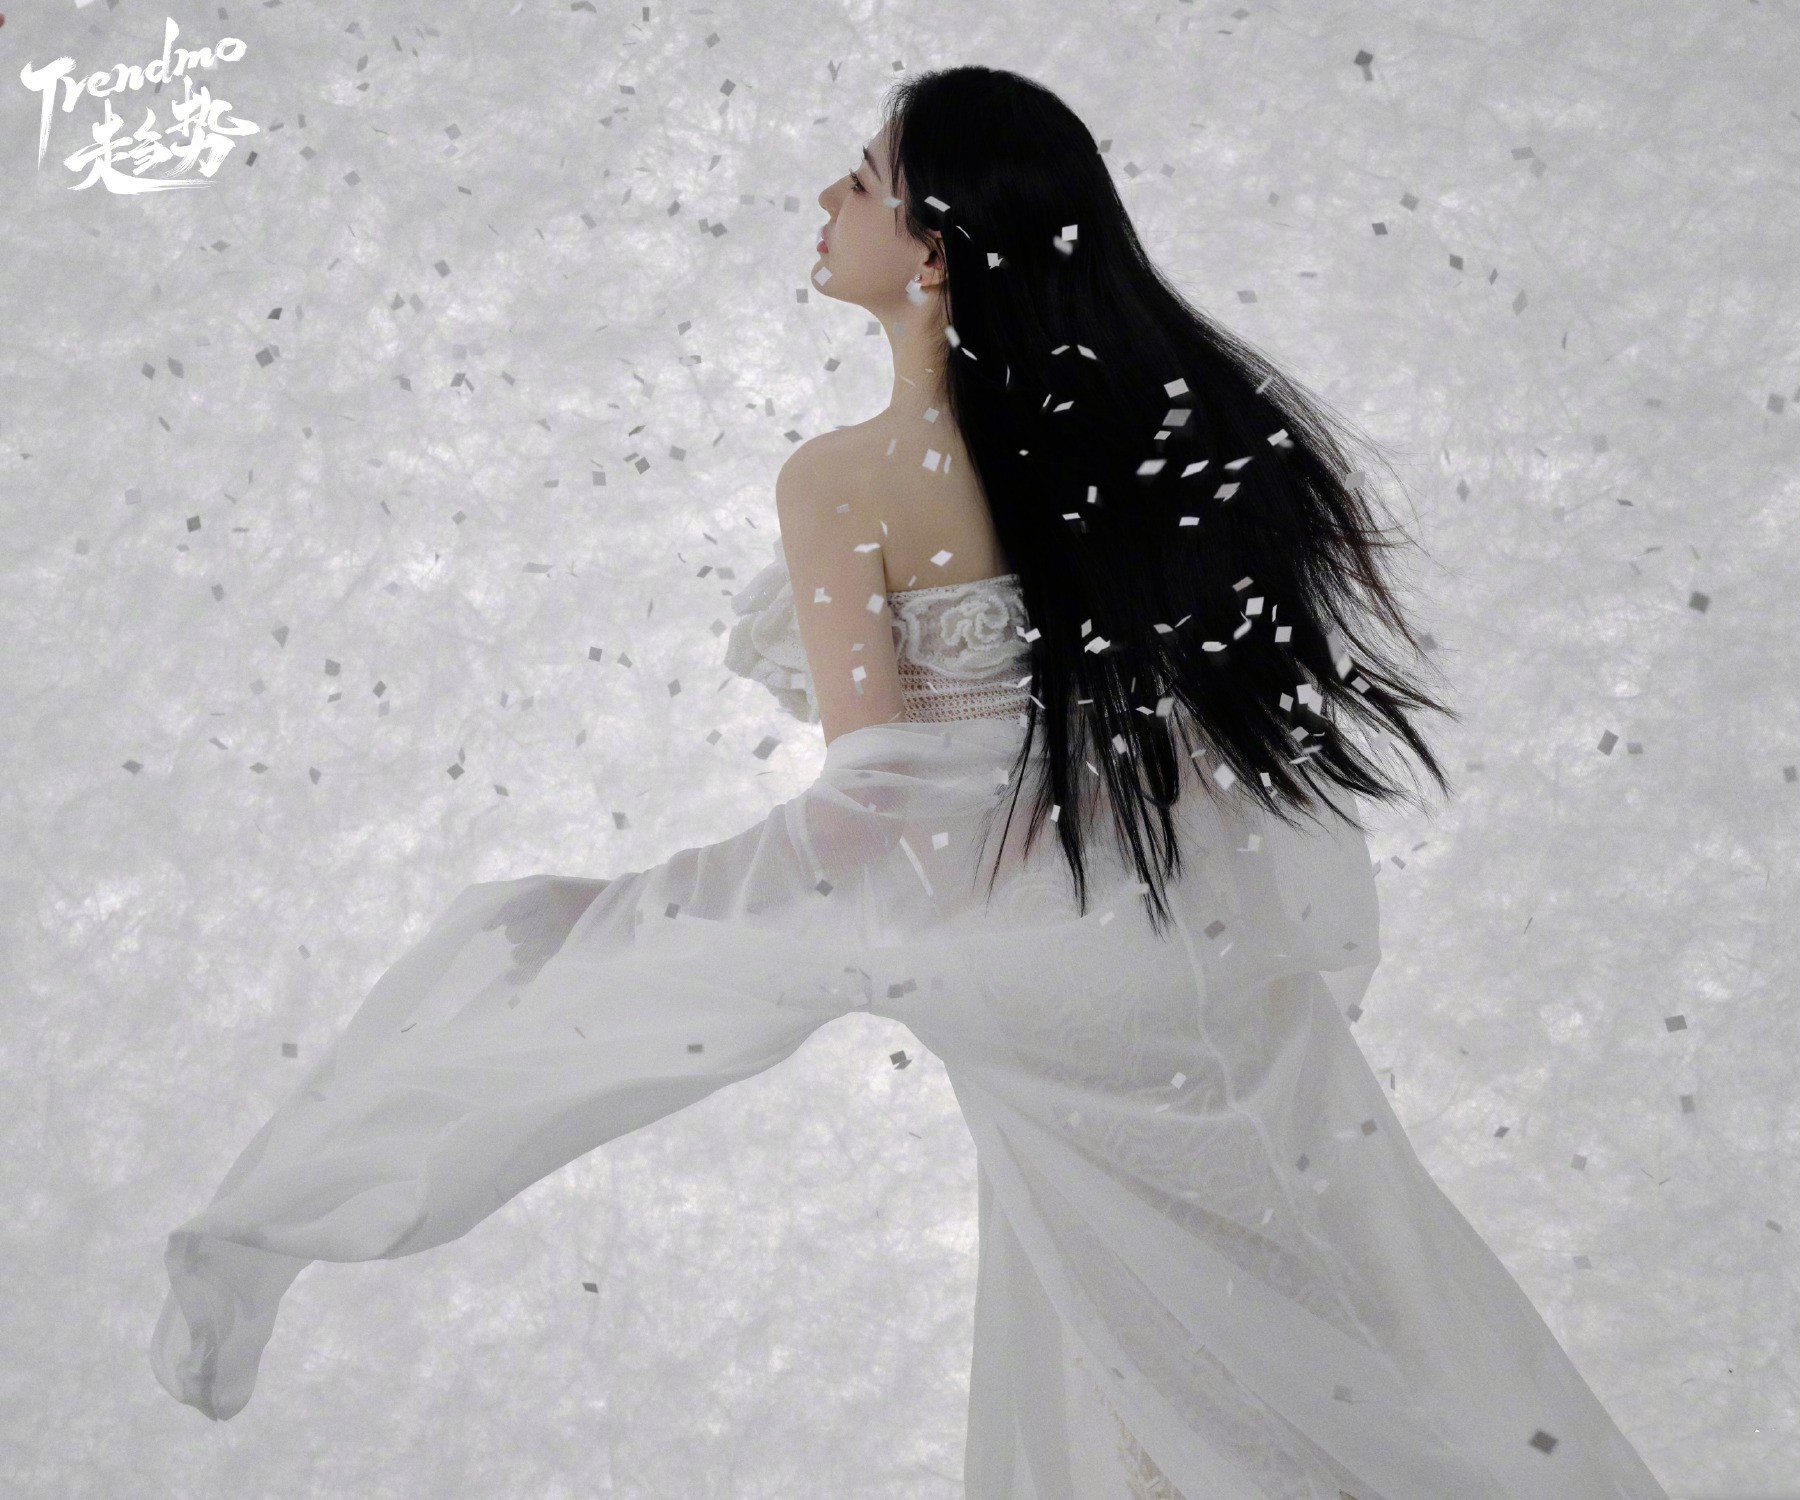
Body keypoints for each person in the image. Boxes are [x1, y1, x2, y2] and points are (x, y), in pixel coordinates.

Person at [152, 65, 1674, 1500]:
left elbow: (885, 792)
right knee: (1325, 1312)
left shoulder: (850, 478)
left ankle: (283, 1217)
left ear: (934, 249)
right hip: (1202, 943)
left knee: (1151, 1338)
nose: (829, 199)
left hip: (1030, 961)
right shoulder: (1153, 433)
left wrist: (678, 925)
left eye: (865, 179)